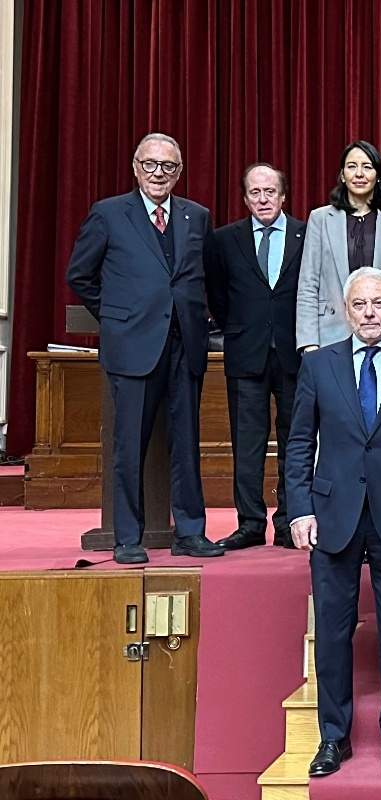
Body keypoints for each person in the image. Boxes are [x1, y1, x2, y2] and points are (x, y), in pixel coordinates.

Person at [284, 267, 381, 778]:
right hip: (333, 515)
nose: (370, 313)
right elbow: (300, 442)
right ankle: (334, 737)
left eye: (379, 304)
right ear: (345, 311)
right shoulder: (320, 366)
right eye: (360, 305)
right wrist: (300, 508)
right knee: (332, 630)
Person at [65, 132, 223, 564]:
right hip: (133, 348)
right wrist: (118, 317)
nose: (159, 173)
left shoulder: (196, 216)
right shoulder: (109, 214)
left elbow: (205, 277)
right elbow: (80, 276)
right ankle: (127, 537)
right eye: (150, 164)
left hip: (184, 346)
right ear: (136, 168)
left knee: (187, 445)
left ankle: (190, 532)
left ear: (179, 172)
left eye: (168, 167)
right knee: (129, 445)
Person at [205, 162, 306, 551]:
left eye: (270, 192)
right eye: (254, 193)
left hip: (295, 354)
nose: (263, 199)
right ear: (245, 198)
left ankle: (288, 521)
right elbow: (217, 294)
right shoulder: (224, 239)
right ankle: (249, 523)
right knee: (246, 443)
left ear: (283, 196)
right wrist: (239, 329)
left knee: (295, 442)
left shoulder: (305, 234)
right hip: (245, 354)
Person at [295, 140, 381, 352]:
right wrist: (308, 342)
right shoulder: (320, 218)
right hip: (329, 334)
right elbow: (308, 284)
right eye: (352, 166)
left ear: (379, 175)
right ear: (342, 175)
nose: (359, 174)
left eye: (367, 167)